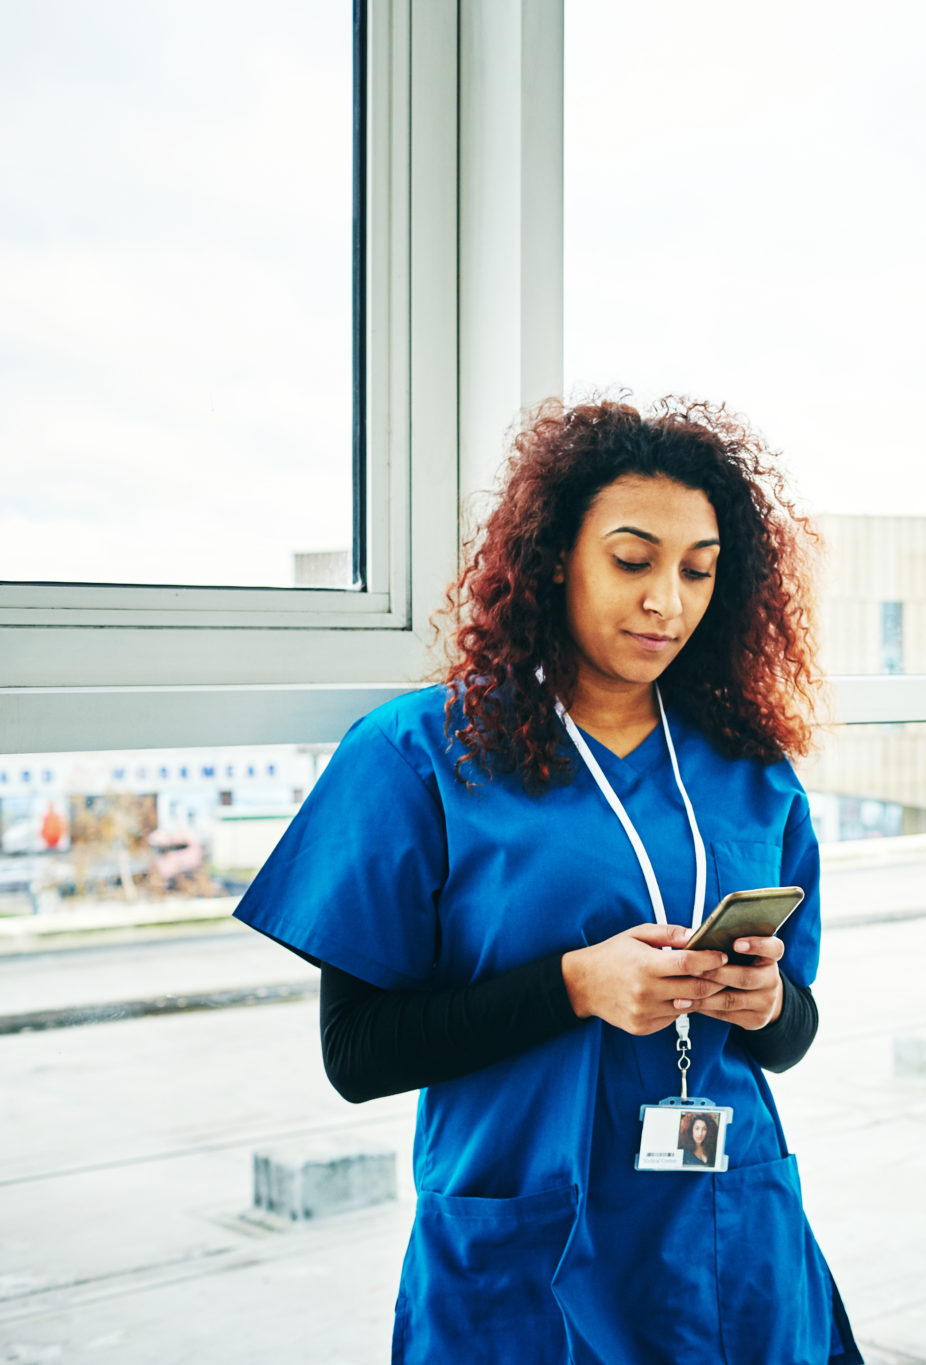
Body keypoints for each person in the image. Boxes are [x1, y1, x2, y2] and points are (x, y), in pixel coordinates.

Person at [233, 396, 861, 1364]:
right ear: (555, 556)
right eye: (632, 559)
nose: (668, 602)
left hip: (729, 1244)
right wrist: (575, 986)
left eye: (698, 571)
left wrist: (763, 999)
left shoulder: (749, 772)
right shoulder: (418, 755)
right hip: (527, 1249)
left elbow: (790, 1040)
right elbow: (357, 1055)